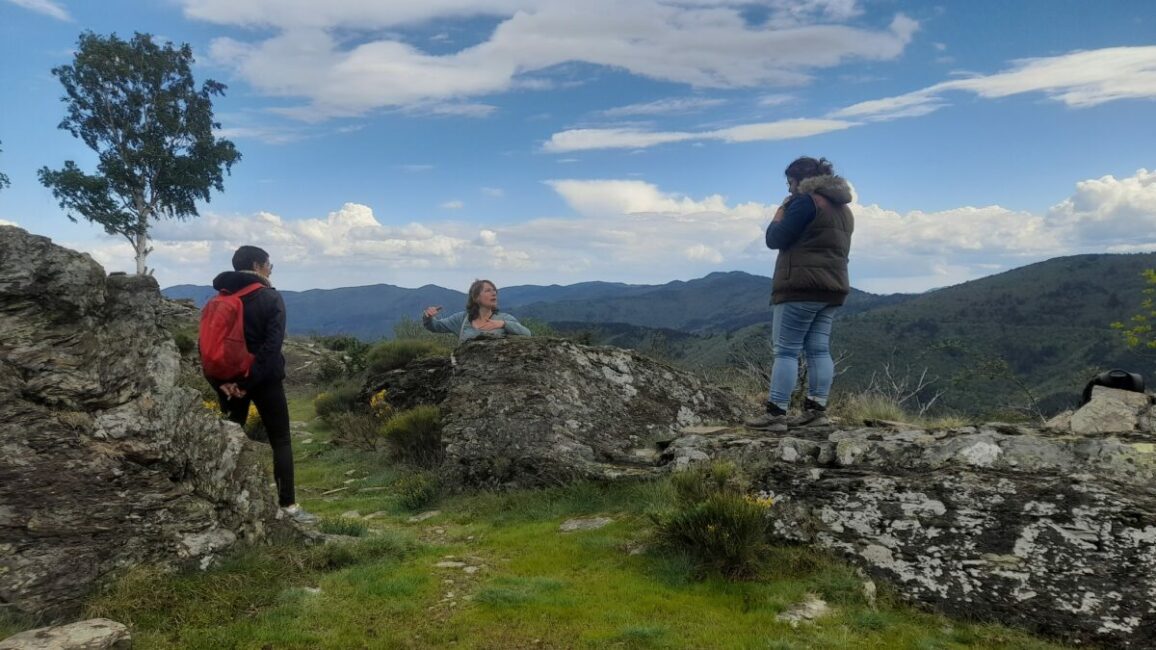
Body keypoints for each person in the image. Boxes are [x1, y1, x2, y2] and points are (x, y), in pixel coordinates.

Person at [746, 157, 855, 430]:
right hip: (833, 287)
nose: (789, 188)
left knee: (785, 351)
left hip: (799, 287)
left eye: (790, 182)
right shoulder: (842, 208)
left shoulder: (805, 202)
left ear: (799, 180)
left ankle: (775, 413)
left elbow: (775, 238)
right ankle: (816, 411)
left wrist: (779, 212)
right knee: (818, 350)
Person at [209, 245, 316, 524]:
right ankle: (288, 506)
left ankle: (221, 500)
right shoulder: (270, 297)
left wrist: (224, 382)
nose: (270, 270)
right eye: (269, 265)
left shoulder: (220, 299)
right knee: (280, 439)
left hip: (229, 384)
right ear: (257, 265)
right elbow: (271, 348)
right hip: (265, 381)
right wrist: (249, 381)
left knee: (230, 437)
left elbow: (208, 347)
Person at [422, 279, 532, 341]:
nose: (494, 293)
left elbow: (527, 334)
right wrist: (428, 317)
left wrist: (503, 324)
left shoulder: (504, 319)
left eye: (494, 291)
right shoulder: (462, 319)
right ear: (476, 297)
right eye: (488, 291)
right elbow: (435, 326)